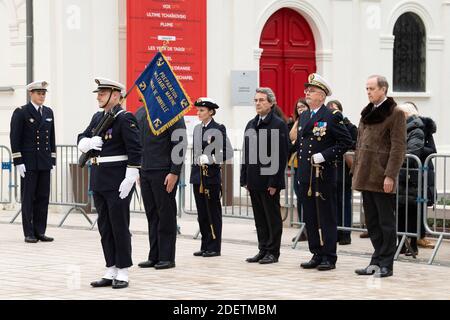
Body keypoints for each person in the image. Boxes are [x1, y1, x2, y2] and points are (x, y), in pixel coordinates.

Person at [78, 78, 142, 289]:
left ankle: (123, 271)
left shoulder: (125, 118)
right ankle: (111, 267)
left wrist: (130, 177)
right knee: (105, 226)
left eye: (102, 93)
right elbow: (83, 136)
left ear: (116, 95)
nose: (98, 96)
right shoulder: (98, 117)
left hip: (118, 180)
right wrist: (86, 143)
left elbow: (135, 149)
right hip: (98, 178)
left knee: (119, 225)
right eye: (98, 93)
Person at [297, 74, 352, 271]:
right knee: (310, 216)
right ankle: (316, 253)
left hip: (323, 174)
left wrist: (325, 155)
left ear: (322, 95)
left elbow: (346, 142)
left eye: (311, 91)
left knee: (326, 216)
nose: (307, 94)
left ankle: (329, 255)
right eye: (307, 91)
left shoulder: (332, 116)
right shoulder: (304, 116)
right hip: (306, 174)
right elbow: (301, 144)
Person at [352, 75, 406, 278]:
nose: (368, 92)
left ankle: (386, 263)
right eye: (366, 88)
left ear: (383, 89)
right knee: (372, 222)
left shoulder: (395, 113)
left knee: (386, 222)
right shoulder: (367, 113)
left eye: (372, 88)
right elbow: (359, 144)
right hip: (366, 175)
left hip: (382, 175)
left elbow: (398, 147)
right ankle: (376, 260)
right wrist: (356, 170)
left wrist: (390, 175)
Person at [136, 100, 187, 270]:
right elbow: (137, 144)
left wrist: (175, 171)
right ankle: (154, 255)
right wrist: (137, 169)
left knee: (165, 214)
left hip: (164, 171)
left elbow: (179, 143)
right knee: (152, 215)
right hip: (145, 170)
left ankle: (166, 257)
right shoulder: (141, 112)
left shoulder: (171, 111)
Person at [241, 87, 289, 264]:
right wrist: (244, 178)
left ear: (271, 103)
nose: (258, 103)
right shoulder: (251, 124)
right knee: (260, 218)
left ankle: (273, 251)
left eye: (261, 100)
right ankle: (262, 249)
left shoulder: (278, 124)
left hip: (269, 180)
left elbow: (280, 155)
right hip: (254, 179)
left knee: (272, 217)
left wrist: (274, 182)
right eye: (256, 100)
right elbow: (246, 152)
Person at [10, 80, 56, 243]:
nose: (42, 96)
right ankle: (28, 232)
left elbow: (51, 138)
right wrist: (18, 161)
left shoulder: (49, 112)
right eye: (39, 93)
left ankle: (40, 231)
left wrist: (52, 160)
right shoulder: (21, 112)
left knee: (43, 197)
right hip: (28, 163)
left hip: (44, 162)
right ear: (31, 93)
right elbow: (15, 138)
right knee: (29, 197)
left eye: (43, 93)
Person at [190, 98, 233, 257]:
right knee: (202, 213)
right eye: (198, 110)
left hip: (211, 176)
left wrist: (212, 159)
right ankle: (205, 244)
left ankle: (214, 246)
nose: (199, 113)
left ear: (211, 112)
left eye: (202, 110)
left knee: (212, 212)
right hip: (197, 176)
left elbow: (227, 152)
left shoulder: (218, 128)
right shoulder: (196, 129)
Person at [326, 100, 358, 245]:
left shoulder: (349, 126)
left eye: (336, 109)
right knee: (332, 203)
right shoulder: (325, 125)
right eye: (330, 109)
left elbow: (354, 142)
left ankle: (346, 233)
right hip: (330, 169)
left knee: (344, 202)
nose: (333, 112)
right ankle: (336, 231)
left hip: (344, 171)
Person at [396, 103, 425, 256]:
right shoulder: (399, 129)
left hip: (410, 178)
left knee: (411, 212)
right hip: (399, 177)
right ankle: (400, 245)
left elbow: (413, 153)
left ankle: (413, 244)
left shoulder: (417, 130)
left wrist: (394, 158)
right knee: (400, 212)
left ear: (406, 115)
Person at [289, 99, 309, 242]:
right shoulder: (296, 122)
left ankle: (309, 229)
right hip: (297, 165)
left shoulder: (310, 121)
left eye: (303, 106)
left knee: (306, 199)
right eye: (298, 107)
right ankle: (303, 229)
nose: (300, 109)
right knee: (299, 198)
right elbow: (292, 137)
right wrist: (298, 120)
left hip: (308, 166)